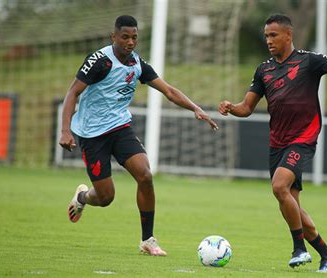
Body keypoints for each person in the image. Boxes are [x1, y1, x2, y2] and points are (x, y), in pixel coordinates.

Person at [218, 14, 327, 272]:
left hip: (303, 138)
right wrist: (230, 107)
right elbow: (246, 108)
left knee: (279, 187)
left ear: (288, 35)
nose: (268, 40)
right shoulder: (264, 70)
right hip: (277, 143)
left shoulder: (309, 60)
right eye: (266, 35)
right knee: (292, 205)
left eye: (274, 35)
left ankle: (299, 249)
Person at [59, 15, 218, 256]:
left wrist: (195, 108)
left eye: (134, 37)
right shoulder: (100, 61)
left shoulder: (138, 65)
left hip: (120, 128)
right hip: (92, 134)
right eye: (125, 37)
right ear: (114, 37)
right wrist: (65, 130)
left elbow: (169, 91)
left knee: (145, 175)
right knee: (105, 197)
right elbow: (72, 93)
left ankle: (148, 240)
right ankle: (82, 197)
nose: (130, 42)